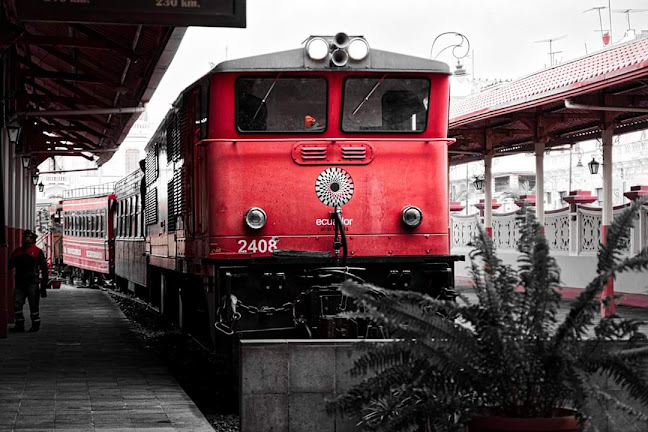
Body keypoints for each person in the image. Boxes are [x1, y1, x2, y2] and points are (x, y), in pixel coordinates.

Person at [9, 230, 48, 332]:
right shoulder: (17, 252)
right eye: (24, 237)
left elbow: (44, 269)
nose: (24, 239)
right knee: (17, 304)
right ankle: (19, 325)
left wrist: (44, 286)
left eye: (27, 237)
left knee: (34, 305)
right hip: (20, 283)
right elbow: (10, 265)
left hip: (32, 283)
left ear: (32, 239)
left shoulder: (37, 252)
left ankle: (35, 325)